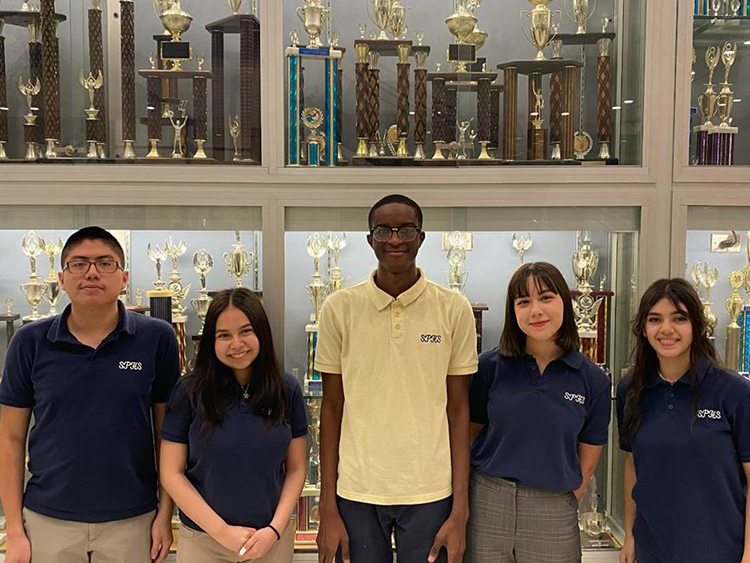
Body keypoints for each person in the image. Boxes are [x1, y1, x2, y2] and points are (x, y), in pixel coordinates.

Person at [0, 226, 180, 563]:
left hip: (132, 521)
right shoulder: (29, 342)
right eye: (78, 264)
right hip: (47, 521)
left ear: (124, 277)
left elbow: (167, 436)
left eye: (105, 263)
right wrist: (14, 529)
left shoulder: (157, 338)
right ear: (62, 278)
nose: (92, 272)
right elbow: (10, 438)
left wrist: (164, 515)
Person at [314, 194, 479, 563]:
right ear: (369, 239)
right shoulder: (338, 309)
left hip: (430, 493)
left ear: (422, 237)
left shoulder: (454, 309)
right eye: (383, 230)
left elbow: (458, 410)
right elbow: (332, 407)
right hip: (356, 492)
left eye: (406, 230)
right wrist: (327, 506)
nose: (395, 239)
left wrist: (460, 509)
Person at [466, 262, 611, 563]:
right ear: (513, 310)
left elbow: (591, 448)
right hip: (487, 503)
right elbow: (471, 434)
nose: (536, 310)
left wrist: (567, 493)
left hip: (553, 508)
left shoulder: (592, 379)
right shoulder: (489, 367)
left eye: (546, 297)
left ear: (564, 302)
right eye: (524, 301)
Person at [159, 288, 307, 563]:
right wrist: (221, 531)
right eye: (224, 335)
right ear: (210, 341)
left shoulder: (287, 390)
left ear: (261, 332)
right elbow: (171, 473)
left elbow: (297, 469)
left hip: (270, 542)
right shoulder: (189, 391)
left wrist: (274, 531)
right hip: (204, 543)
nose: (236, 343)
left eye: (245, 331)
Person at [617, 278, 750, 563]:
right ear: (643, 328)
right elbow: (632, 465)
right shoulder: (631, 390)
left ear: (699, 327)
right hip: (652, 550)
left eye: (679, 318)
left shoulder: (734, 392)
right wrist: (629, 535)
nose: (666, 329)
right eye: (655, 319)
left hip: (720, 551)